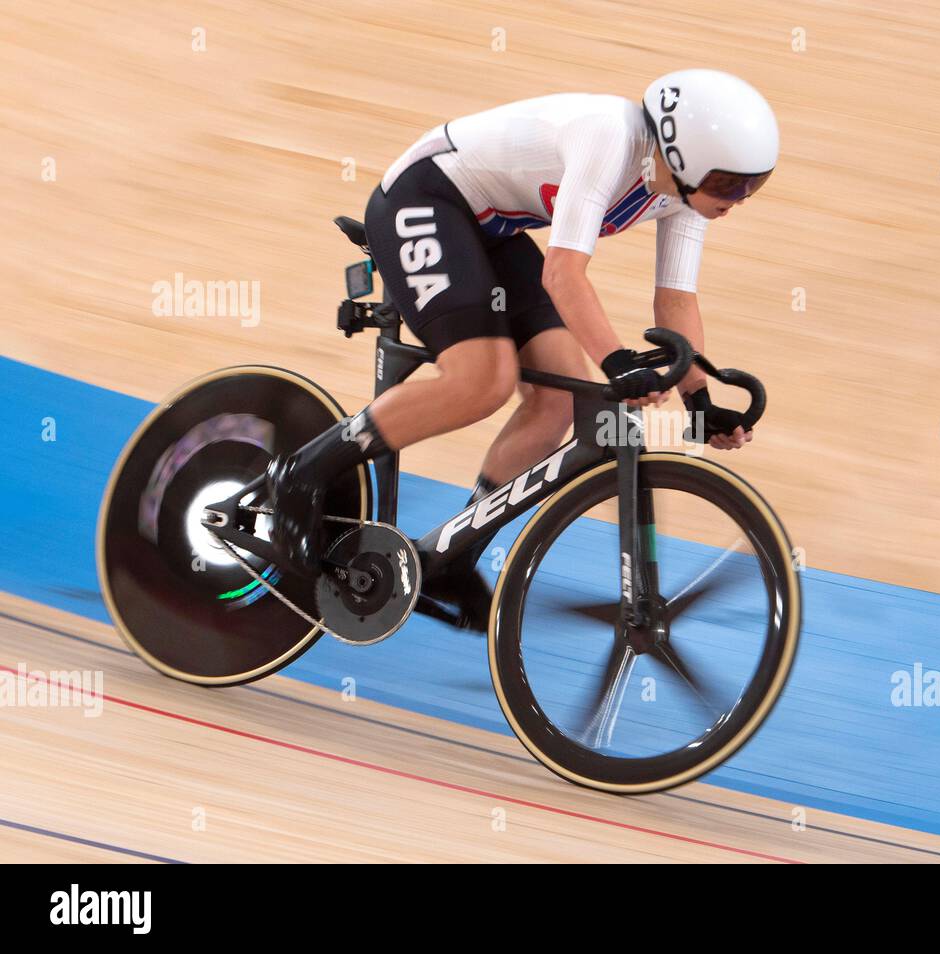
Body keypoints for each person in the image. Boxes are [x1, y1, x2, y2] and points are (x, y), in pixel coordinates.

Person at [266, 68, 779, 630]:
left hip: (492, 231)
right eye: (731, 184)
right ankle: (299, 474)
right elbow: (563, 273)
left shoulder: (683, 196)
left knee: (556, 401)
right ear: (681, 158)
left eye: (754, 186)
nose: (740, 200)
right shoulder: (610, 137)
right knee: (482, 380)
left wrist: (700, 402)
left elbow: (676, 301)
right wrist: (617, 362)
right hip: (424, 198)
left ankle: (452, 555)